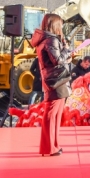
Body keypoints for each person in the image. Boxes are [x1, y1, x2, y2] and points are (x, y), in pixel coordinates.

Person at [31, 13, 73, 157]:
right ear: (55, 24)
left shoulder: (46, 39)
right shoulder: (51, 40)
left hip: (55, 79)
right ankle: (49, 147)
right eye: (60, 24)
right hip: (56, 80)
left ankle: (53, 146)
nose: (61, 27)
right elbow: (57, 60)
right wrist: (67, 50)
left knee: (55, 114)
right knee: (52, 114)